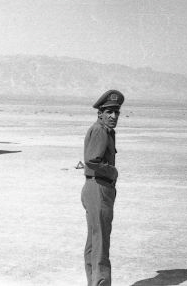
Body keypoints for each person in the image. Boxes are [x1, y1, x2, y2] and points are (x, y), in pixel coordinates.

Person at [81, 89, 124, 286]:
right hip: (99, 188)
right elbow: (91, 161)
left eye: (116, 112)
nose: (114, 116)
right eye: (109, 112)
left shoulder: (105, 131)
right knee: (100, 245)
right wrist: (112, 172)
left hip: (95, 187)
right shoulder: (100, 130)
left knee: (94, 242)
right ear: (100, 113)